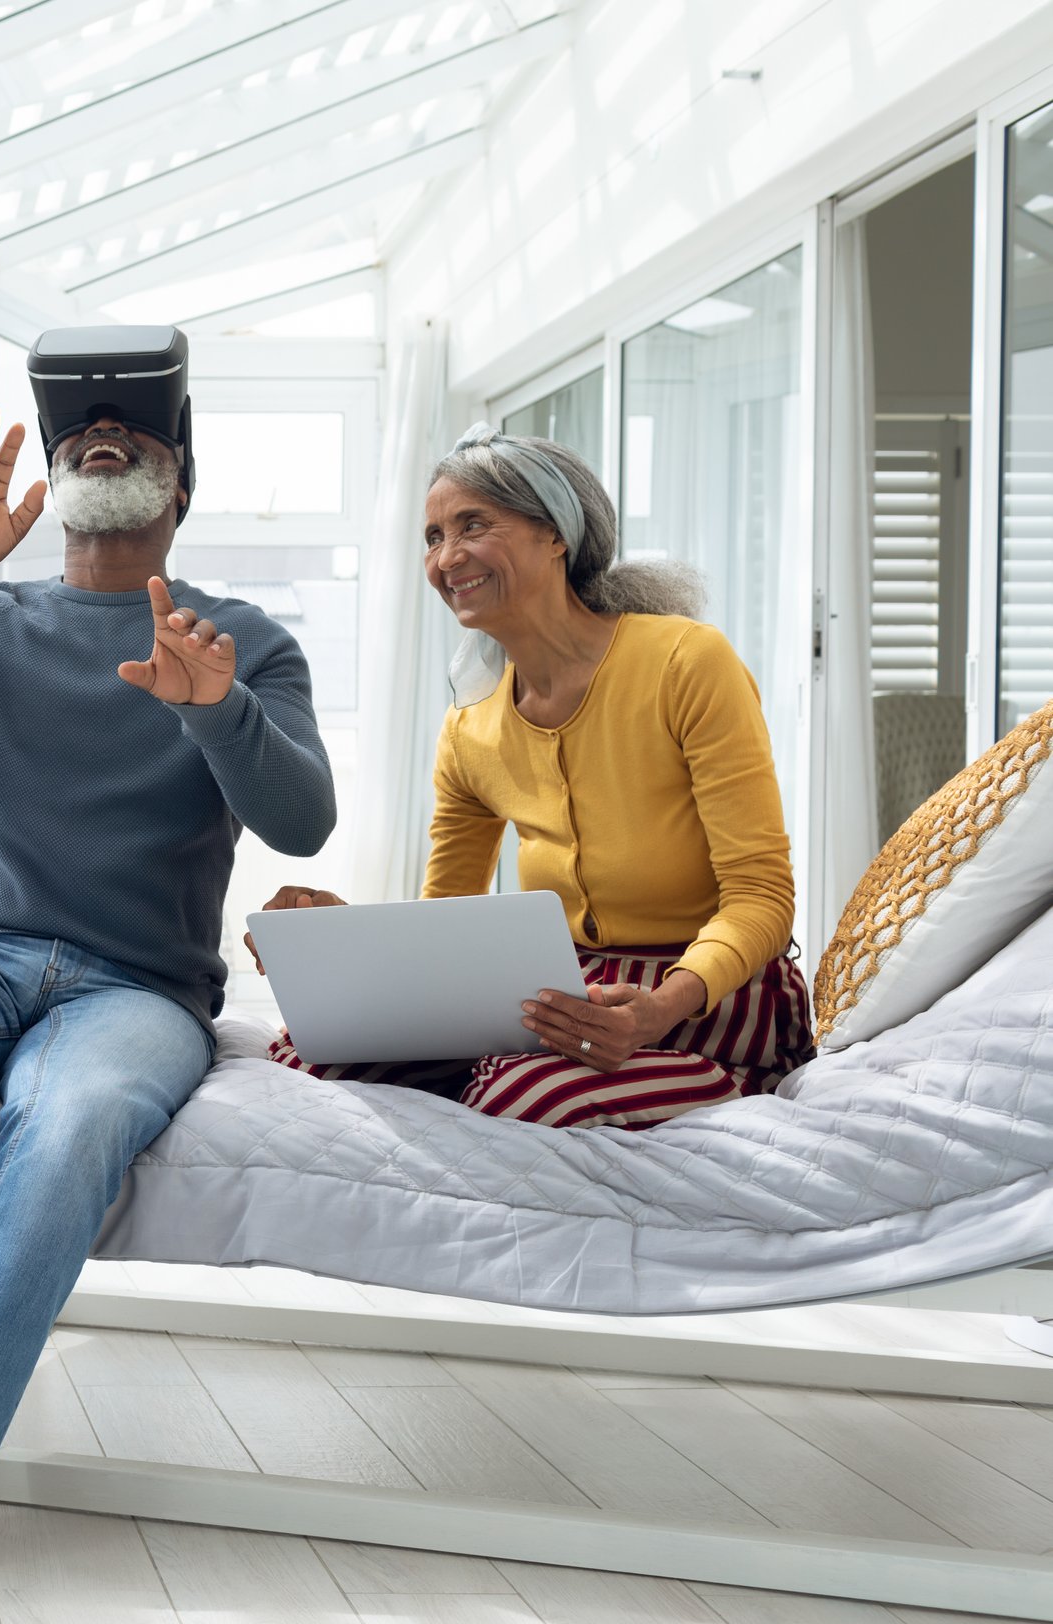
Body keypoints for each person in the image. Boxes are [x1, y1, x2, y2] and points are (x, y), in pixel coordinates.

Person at [0, 391, 336, 1601]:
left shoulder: (240, 638)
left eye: (135, 426)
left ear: (177, 488)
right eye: (80, 421)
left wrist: (215, 709)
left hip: (137, 987)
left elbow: (302, 820)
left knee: (75, 1119)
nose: (102, 427)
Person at [256, 424, 811, 1129]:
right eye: (432, 537)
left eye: (472, 524)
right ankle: (497, 1078)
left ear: (556, 534)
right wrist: (343, 947)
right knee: (304, 1059)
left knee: (517, 1095)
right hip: (561, 994)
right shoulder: (469, 725)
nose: (446, 557)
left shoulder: (686, 663)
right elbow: (445, 925)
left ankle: (720, 1082)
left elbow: (762, 895)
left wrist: (662, 1005)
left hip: (713, 998)